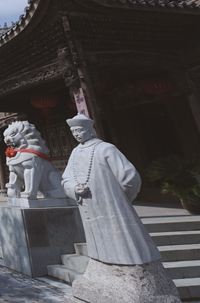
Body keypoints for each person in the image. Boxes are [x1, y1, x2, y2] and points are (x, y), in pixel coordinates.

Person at [61, 113, 160, 265]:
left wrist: (121, 198)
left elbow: (130, 177)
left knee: (124, 240)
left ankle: (130, 265)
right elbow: (66, 178)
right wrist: (74, 189)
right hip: (88, 205)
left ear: (89, 130)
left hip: (111, 203)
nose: (76, 134)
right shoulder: (75, 152)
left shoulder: (105, 149)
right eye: (73, 132)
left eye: (79, 130)